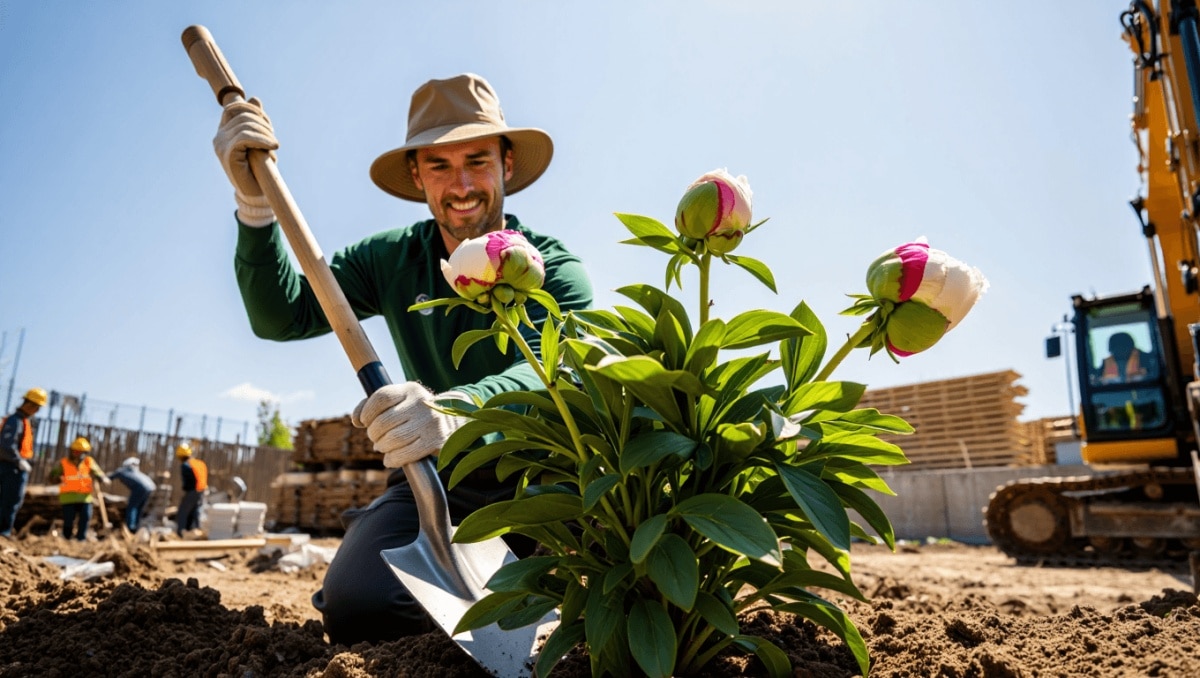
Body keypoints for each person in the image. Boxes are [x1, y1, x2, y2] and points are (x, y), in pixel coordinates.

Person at [211, 72, 594, 643]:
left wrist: (458, 412)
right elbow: (282, 314)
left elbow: (550, 368)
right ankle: (495, 602)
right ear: (417, 176)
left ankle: (537, 590)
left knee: (612, 587)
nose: (461, 183)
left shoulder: (553, 270)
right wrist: (254, 207)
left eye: (477, 160)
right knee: (358, 604)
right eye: (439, 165)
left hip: (546, 480)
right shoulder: (390, 261)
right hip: (440, 481)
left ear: (507, 164)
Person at [0, 387, 48, 537]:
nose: (37, 411)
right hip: (11, 467)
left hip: (15, 466)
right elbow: (6, 445)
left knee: (11, 502)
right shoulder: (15, 421)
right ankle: (3, 533)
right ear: (30, 404)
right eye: (37, 408)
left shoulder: (23, 421)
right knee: (9, 501)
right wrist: (19, 461)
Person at [47, 436, 109, 541]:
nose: (80, 455)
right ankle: (66, 538)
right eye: (77, 452)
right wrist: (57, 479)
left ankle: (81, 540)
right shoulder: (63, 463)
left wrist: (102, 477)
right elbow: (51, 477)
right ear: (72, 452)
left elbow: (97, 472)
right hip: (68, 496)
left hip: (85, 497)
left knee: (85, 517)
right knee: (68, 520)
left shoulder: (89, 462)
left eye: (83, 452)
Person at [110, 456, 156, 531]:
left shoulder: (122, 471)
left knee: (132, 507)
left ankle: (130, 527)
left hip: (140, 488)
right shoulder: (138, 473)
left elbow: (111, 476)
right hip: (149, 489)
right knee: (139, 508)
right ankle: (137, 526)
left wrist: (103, 478)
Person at [174, 443, 207, 536]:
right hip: (202, 490)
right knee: (195, 511)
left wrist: (186, 490)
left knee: (183, 511)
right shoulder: (200, 463)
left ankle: (181, 532)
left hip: (193, 490)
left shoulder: (185, 465)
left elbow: (189, 482)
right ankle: (197, 530)